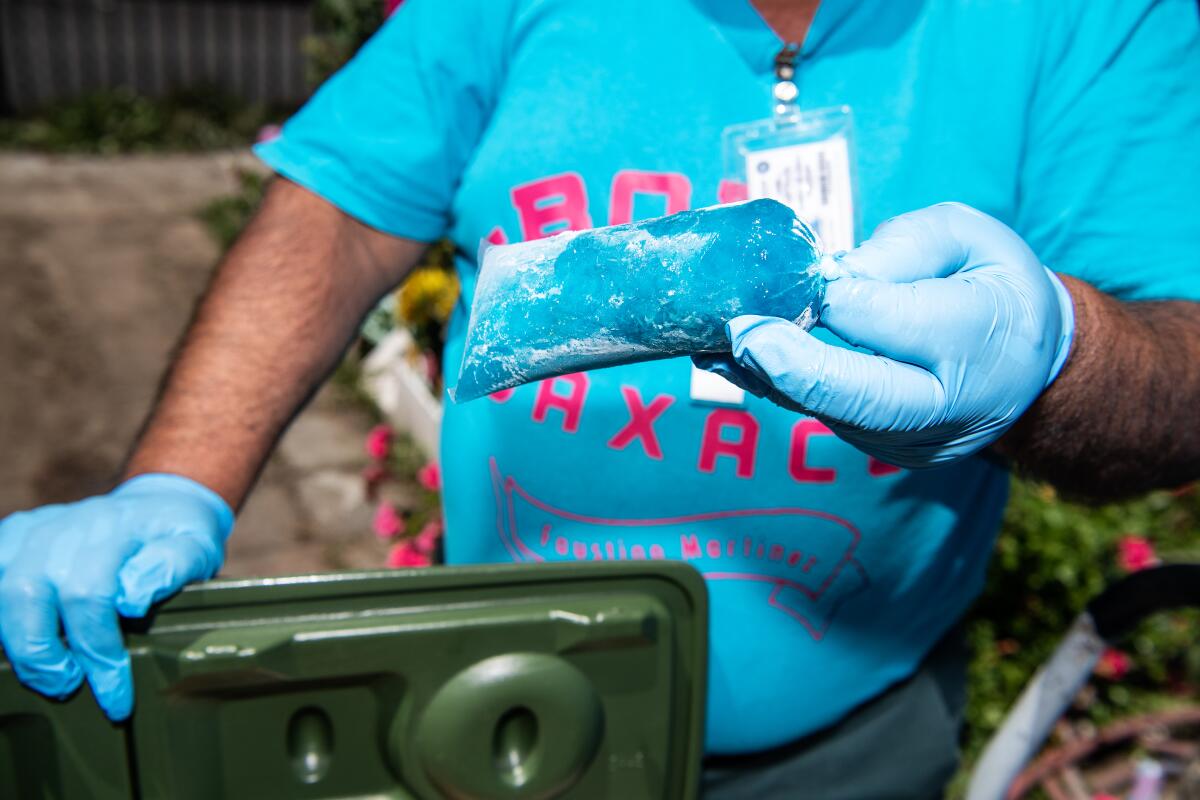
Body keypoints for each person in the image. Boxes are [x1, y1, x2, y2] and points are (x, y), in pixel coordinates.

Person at [2, 0, 1198, 795]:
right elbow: (340, 203)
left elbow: (1181, 360)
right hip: (491, 710)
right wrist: (178, 471)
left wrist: (1061, 357)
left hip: (849, 752)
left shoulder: (1095, 18)